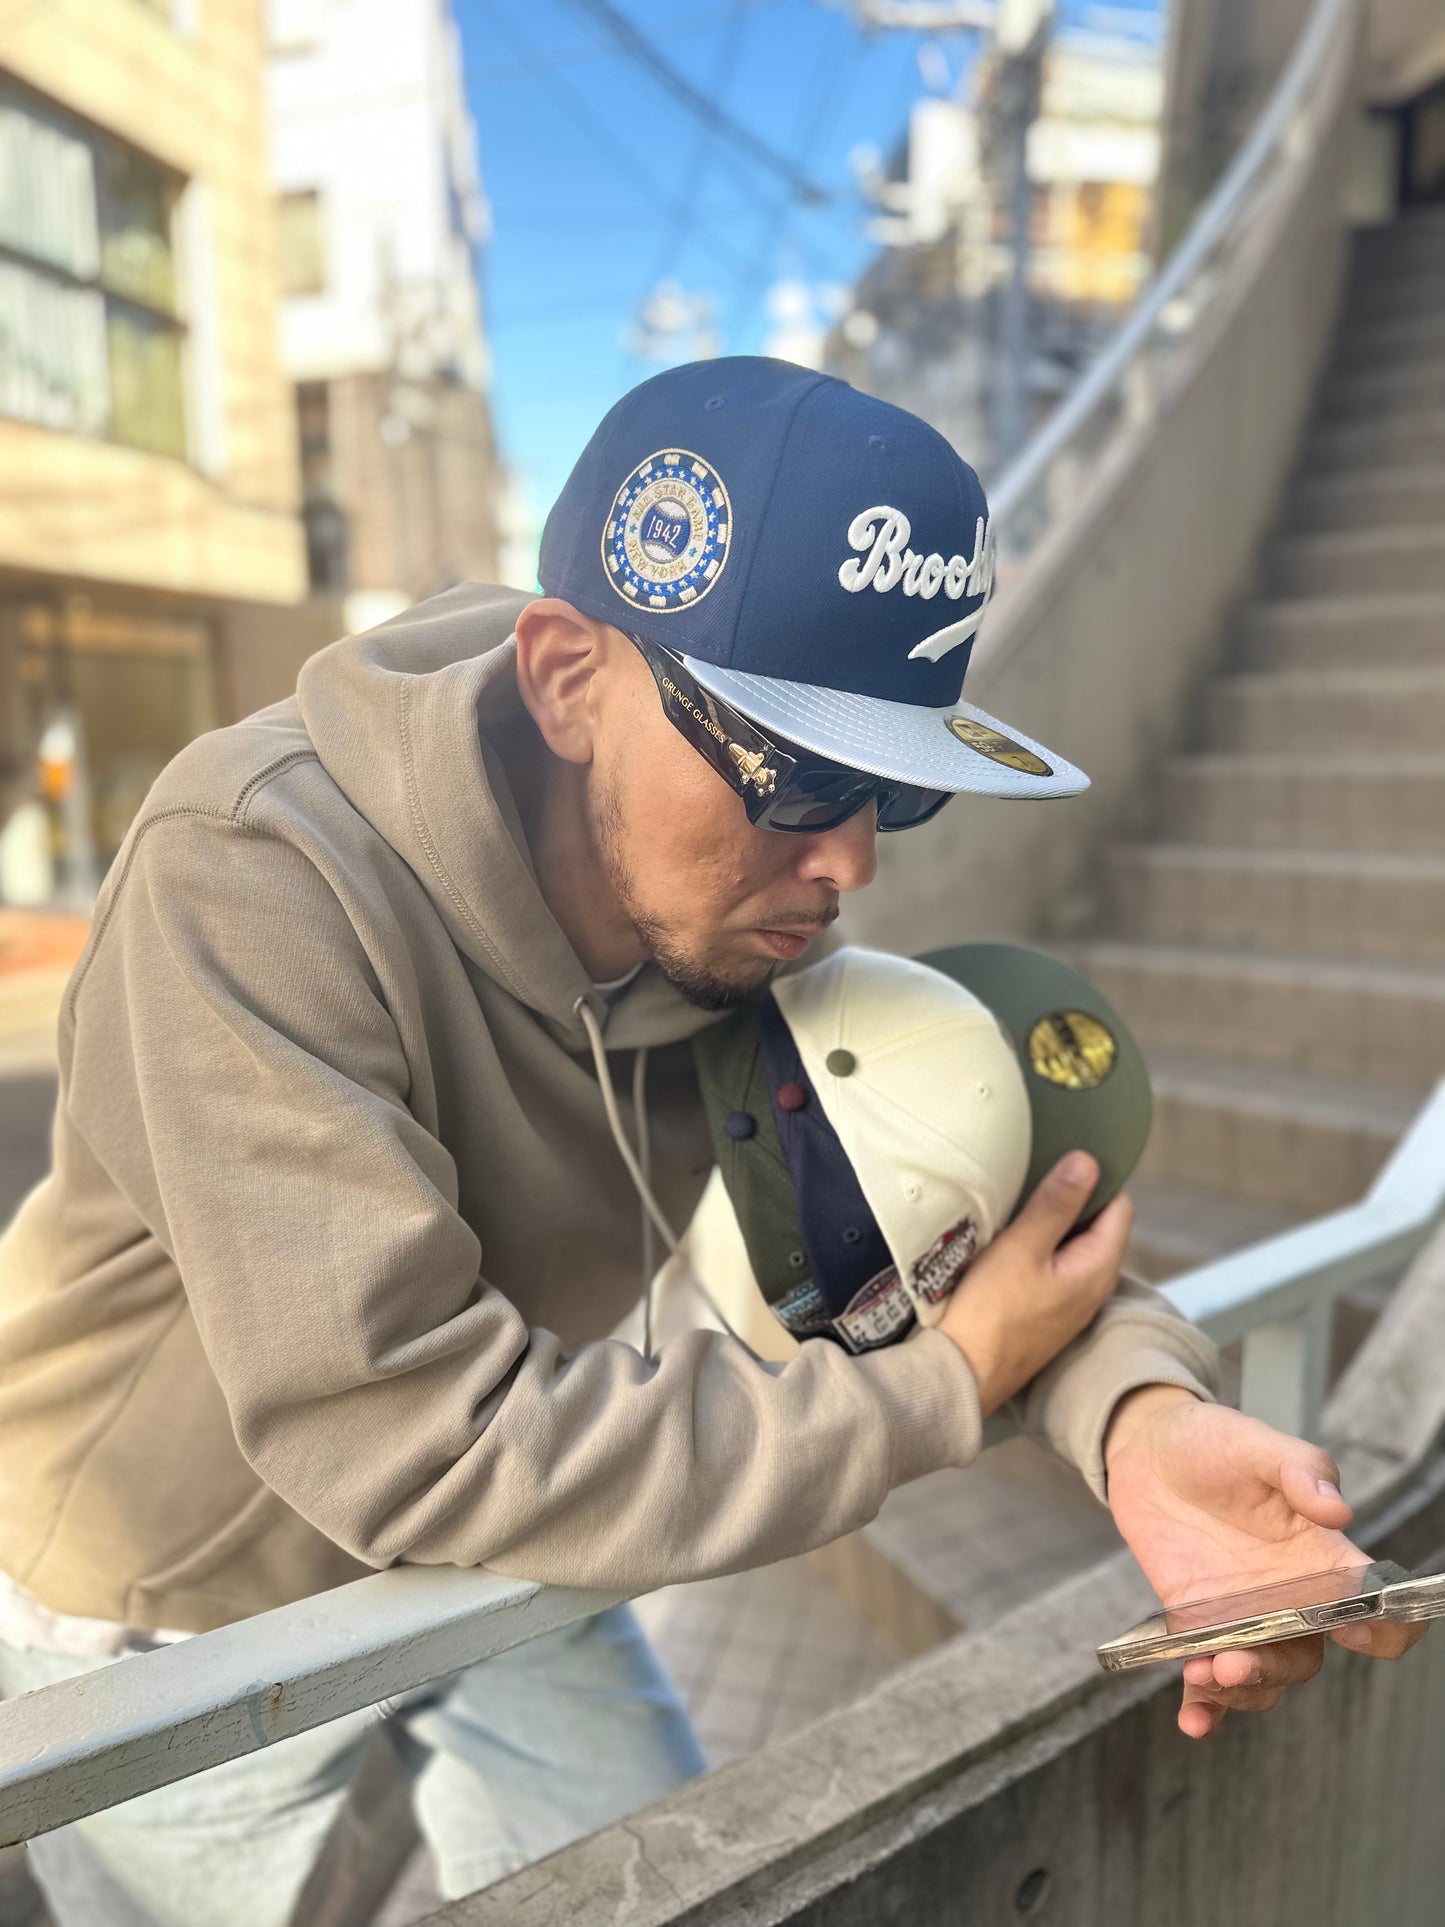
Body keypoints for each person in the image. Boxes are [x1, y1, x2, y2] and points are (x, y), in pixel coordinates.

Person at [0, 358, 1419, 1926]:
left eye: (891, 787)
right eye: (795, 771)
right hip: (164, 1607)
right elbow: (416, 1435)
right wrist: (942, 1393)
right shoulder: (252, 878)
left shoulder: (741, 922)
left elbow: (946, 1224)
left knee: (675, 1896)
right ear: (564, 680)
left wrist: (1135, 1418)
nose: (848, 863)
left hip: (522, 1535)